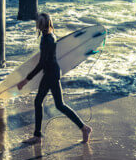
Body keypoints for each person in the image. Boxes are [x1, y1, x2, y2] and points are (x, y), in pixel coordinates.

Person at [17, 13, 92, 145]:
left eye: (38, 22)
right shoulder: (50, 36)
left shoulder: (47, 39)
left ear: (41, 25)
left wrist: (26, 80)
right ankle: (84, 128)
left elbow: (42, 63)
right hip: (53, 72)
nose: (37, 24)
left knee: (39, 102)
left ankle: (37, 136)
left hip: (50, 74)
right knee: (58, 104)